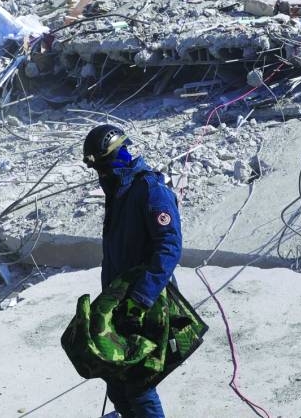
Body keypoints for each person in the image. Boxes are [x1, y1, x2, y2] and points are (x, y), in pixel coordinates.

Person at [82, 124, 182, 418]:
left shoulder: (150, 190)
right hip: (118, 301)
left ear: (117, 156)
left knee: (138, 381)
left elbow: (169, 248)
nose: (100, 175)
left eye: (102, 166)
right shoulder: (118, 192)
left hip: (146, 303)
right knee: (114, 376)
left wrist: (140, 297)